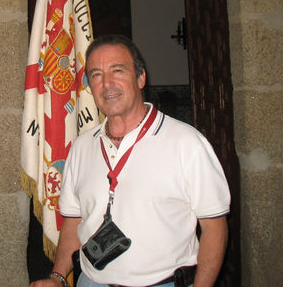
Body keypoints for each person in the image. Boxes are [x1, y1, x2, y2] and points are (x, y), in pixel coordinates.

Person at [30, 35, 230, 287]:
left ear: (141, 77)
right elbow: (74, 221)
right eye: (96, 75)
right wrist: (58, 277)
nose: (107, 84)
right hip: (91, 283)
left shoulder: (186, 143)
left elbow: (215, 227)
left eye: (118, 70)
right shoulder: (81, 147)